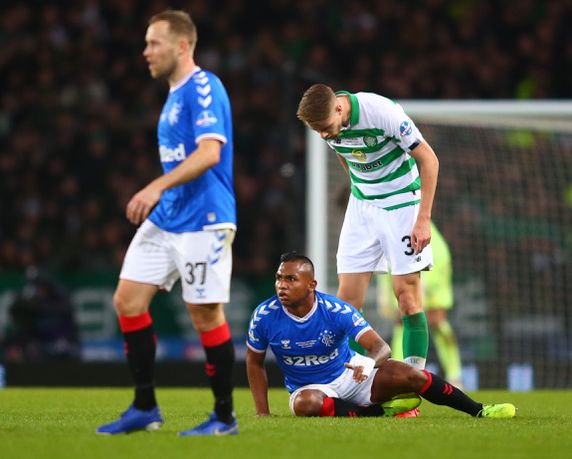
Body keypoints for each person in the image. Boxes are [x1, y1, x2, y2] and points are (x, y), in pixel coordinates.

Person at [97, 10, 237, 436]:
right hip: (169, 217)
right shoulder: (174, 95)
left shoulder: (203, 86)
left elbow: (210, 153)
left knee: (204, 315)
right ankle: (145, 407)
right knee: (127, 301)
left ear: (181, 45)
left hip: (205, 219)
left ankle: (224, 418)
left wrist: (155, 186)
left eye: (153, 43)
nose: (145, 52)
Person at [297, 84, 439, 416]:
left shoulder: (380, 112)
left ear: (338, 108)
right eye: (317, 131)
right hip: (362, 208)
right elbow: (346, 156)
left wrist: (423, 219)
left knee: (407, 297)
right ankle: (351, 387)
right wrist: (360, 188)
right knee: (346, 304)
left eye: (325, 127)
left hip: (402, 204)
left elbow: (429, 160)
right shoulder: (327, 126)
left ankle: (408, 389)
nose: (323, 135)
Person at [246, 252, 515, 419]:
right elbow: (254, 363)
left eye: (291, 279)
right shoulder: (264, 316)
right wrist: (262, 413)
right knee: (306, 405)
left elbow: (381, 348)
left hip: (350, 376)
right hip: (310, 389)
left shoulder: (336, 310)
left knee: (413, 376)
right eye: (279, 278)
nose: (281, 285)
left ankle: (479, 409)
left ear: (311, 285)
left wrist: (368, 363)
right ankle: (377, 412)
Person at [378, 221, 463, 387]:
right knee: (403, 321)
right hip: (402, 260)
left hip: (430, 264)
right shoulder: (385, 227)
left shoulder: (435, 245)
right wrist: (385, 297)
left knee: (437, 321)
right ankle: (400, 372)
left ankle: (455, 376)